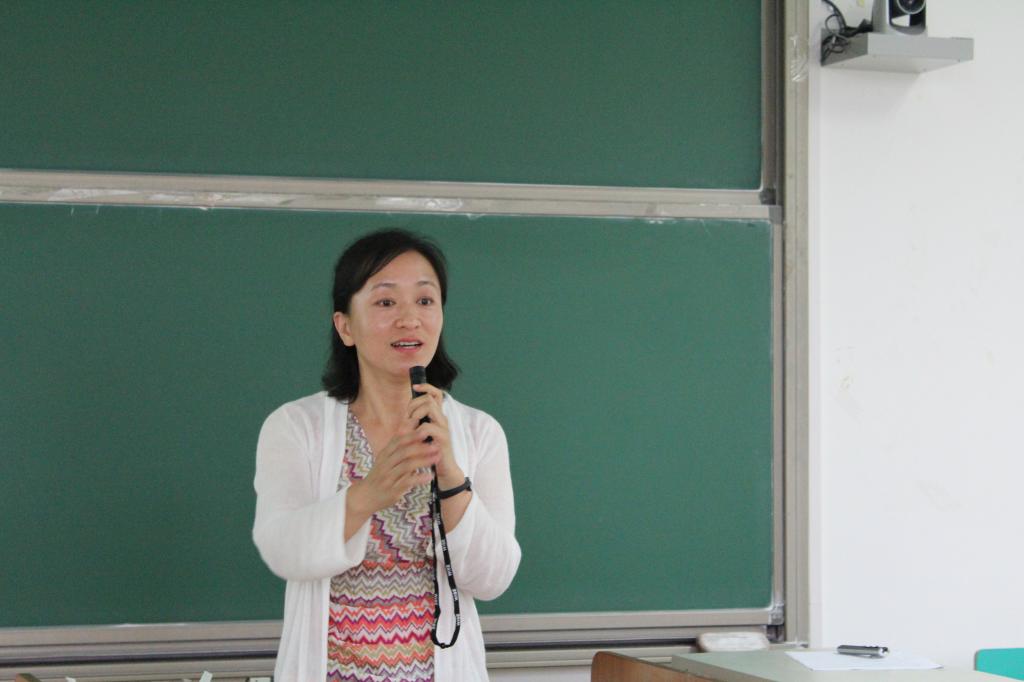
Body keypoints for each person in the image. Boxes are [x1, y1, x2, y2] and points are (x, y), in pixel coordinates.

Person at [253, 229, 521, 681]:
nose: (409, 319)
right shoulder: (296, 426)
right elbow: (282, 551)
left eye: (425, 300)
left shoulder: (479, 432)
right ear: (345, 326)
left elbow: (492, 579)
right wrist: (367, 494)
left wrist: (450, 472)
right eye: (385, 302)